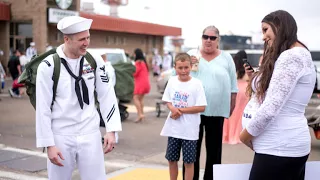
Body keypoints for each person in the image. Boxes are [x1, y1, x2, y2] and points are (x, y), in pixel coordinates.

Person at [36, 16, 122, 180]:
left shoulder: (94, 60)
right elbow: (43, 108)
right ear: (67, 39)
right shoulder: (48, 66)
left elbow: (107, 95)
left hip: (90, 132)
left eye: (88, 37)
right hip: (61, 134)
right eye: (82, 39)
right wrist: (49, 144)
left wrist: (111, 130)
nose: (86, 43)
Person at [240, 10, 315, 180]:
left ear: (279, 26)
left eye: (266, 30)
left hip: (279, 149)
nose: (263, 36)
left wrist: (244, 136)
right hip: (280, 148)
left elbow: (270, 109)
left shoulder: (291, 57)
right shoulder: (295, 54)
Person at [183, 25, 238, 180]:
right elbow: (176, 77)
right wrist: (188, 67)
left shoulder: (226, 58)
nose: (208, 40)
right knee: (191, 151)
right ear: (201, 38)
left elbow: (234, 87)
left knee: (214, 151)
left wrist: (231, 106)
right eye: (205, 37)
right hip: (193, 111)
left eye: (212, 38)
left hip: (217, 111)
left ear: (217, 40)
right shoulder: (190, 55)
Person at [161, 53, 207, 180]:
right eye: (180, 68)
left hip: (189, 131)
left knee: (188, 162)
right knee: (171, 159)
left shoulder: (197, 84)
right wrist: (172, 109)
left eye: (186, 67)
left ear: (191, 66)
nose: (183, 71)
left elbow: (202, 107)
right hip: (174, 129)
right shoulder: (171, 81)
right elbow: (167, 100)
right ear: (175, 67)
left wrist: (180, 110)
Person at [223, 50, 249, 144]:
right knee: (241, 112)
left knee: (233, 112)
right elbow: (250, 78)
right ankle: (238, 135)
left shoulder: (232, 67)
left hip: (234, 89)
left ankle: (229, 135)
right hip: (245, 90)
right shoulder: (247, 67)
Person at [132, 48, 150, 122]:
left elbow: (135, 73)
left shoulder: (138, 62)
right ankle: (141, 114)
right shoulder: (144, 62)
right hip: (146, 83)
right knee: (140, 99)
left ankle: (140, 114)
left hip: (140, 83)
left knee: (135, 98)